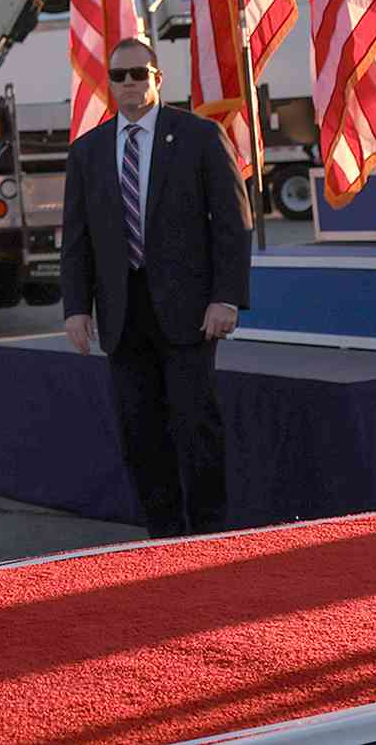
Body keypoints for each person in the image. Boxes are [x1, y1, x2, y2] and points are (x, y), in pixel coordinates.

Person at [60, 37, 252, 539]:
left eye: (138, 74)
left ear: (157, 78)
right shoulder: (87, 152)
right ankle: (163, 536)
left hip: (190, 312)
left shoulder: (199, 137)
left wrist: (226, 297)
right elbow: (77, 240)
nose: (128, 83)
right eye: (119, 75)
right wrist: (76, 308)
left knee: (196, 427)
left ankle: (210, 532)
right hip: (123, 315)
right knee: (139, 433)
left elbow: (233, 224)